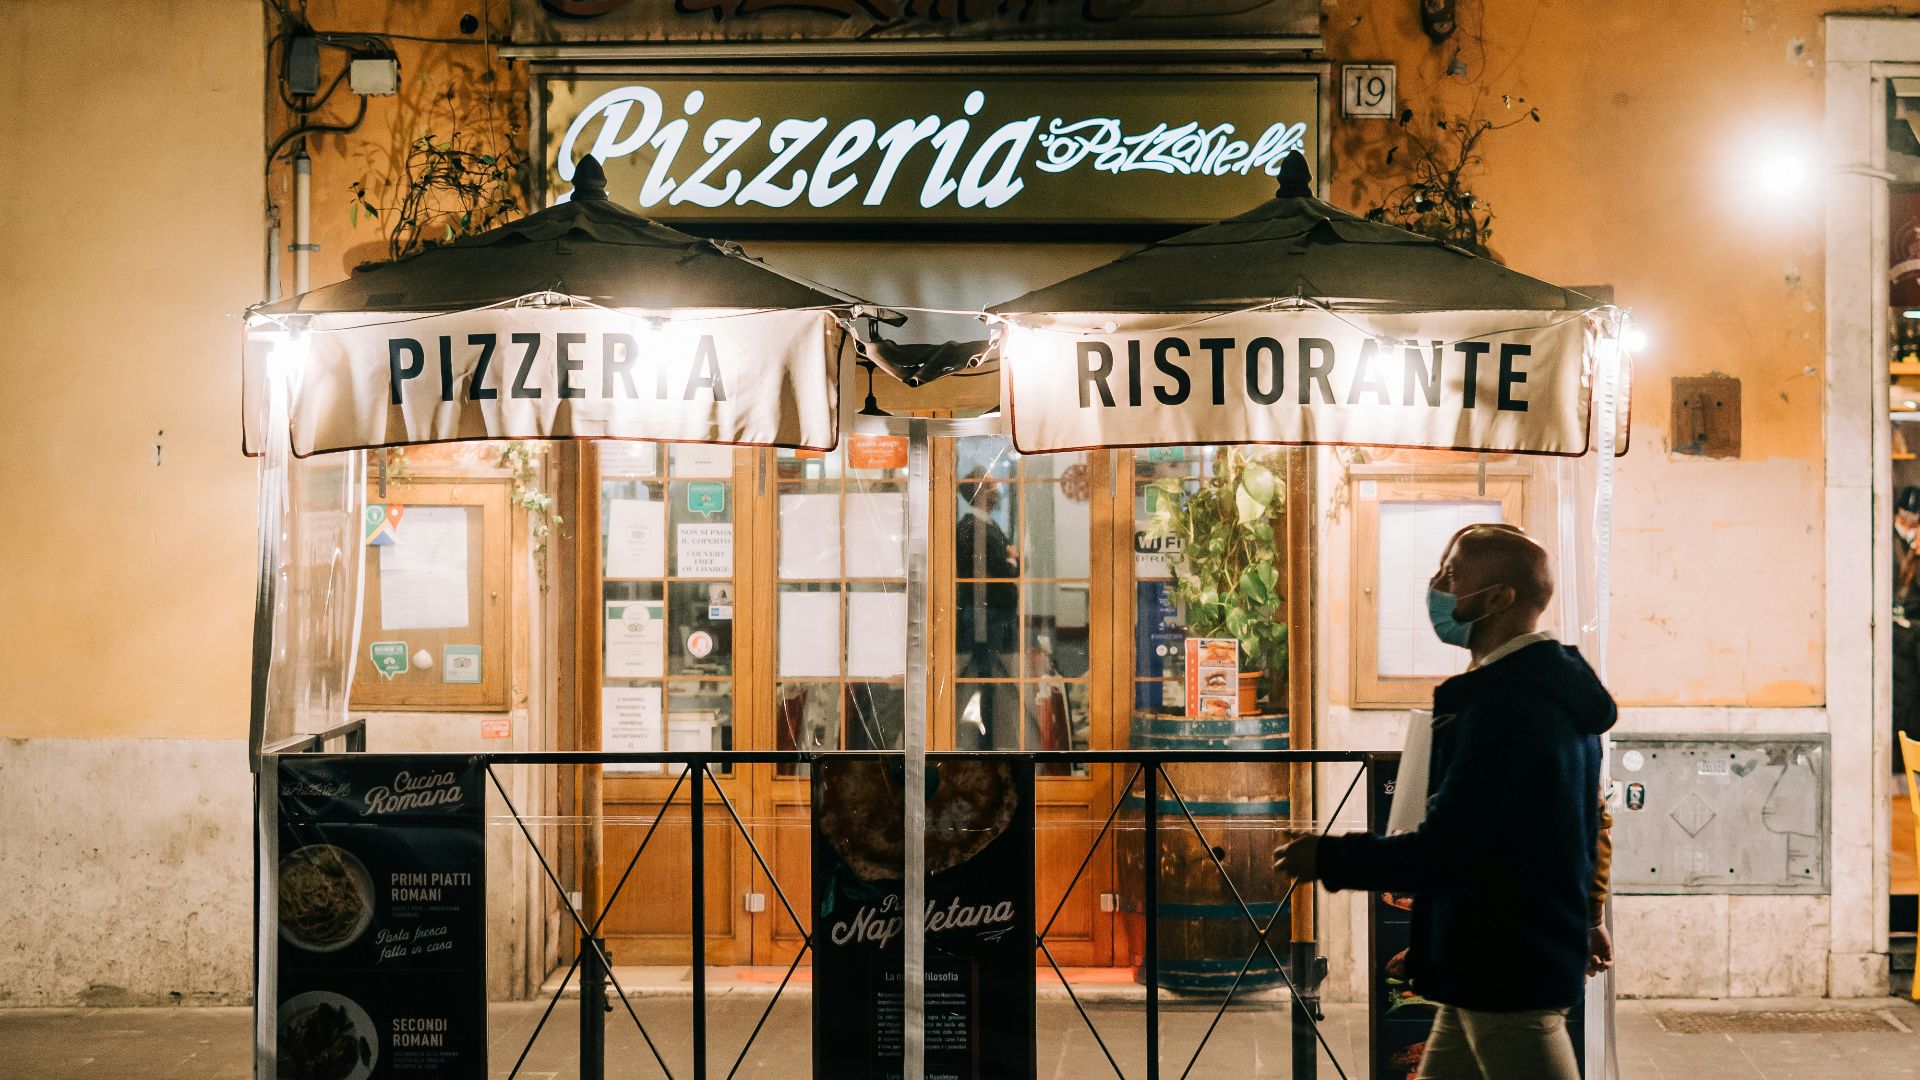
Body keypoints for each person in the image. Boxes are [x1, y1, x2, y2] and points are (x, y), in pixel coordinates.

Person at [1274, 523, 1616, 1080]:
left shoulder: (1507, 706)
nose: (1436, 584)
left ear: (1501, 598)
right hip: (1492, 955)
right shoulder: (1548, 692)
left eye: (1452, 574)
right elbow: (1572, 827)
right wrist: (1585, 916)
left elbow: (1451, 850)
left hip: (1505, 962)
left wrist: (1330, 858)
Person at [955, 470, 1020, 749]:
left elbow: (1013, 563)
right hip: (983, 615)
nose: (999, 489)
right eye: (993, 485)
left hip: (993, 613)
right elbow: (1000, 567)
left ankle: (987, 741)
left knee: (990, 676)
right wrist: (1009, 561)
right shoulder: (972, 528)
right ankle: (982, 744)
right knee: (983, 677)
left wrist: (1011, 561)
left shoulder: (989, 526)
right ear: (981, 492)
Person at [1893, 487, 1920, 758]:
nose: (1909, 527)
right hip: (1896, 630)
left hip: (1915, 628)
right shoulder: (1887, 541)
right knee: (1901, 700)